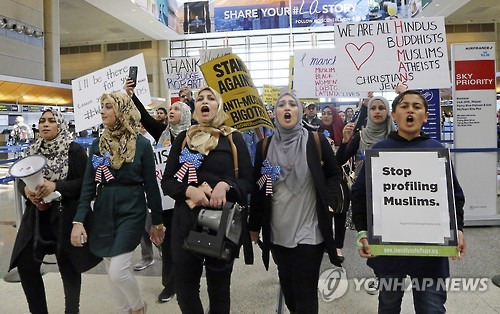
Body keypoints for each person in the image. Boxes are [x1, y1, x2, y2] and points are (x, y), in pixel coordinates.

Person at [352, 90, 466, 313]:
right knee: (389, 304)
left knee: (431, 307)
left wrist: (458, 229)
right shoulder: (379, 151)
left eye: (417, 106)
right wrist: (363, 231)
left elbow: (454, 196)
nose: (410, 110)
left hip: (430, 253)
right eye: (404, 106)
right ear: (394, 115)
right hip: (389, 251)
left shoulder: (436, 151)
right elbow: (359, 194)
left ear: (425, 116)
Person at [249, 92, 343, 314]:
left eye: (292, 104)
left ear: (299, 111)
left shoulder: (316, 141)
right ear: (275, 113)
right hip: (278, 231)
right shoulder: (265, 147)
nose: (287, 108)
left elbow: (334, 173)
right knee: (289, 288)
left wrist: (329, 201)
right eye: (282, 104)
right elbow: (257, 189)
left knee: (305, 291)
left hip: (310, 231)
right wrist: (253, 227)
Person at [70, 92, 165, 314]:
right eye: (101, 106)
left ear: (122, 111)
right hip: (103, 211)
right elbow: (87, 185)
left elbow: (151, 185)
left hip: (132, 209)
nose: (102, 111)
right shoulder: (97, 145)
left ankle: (138, 307)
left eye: (108, 107)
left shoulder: (141, 145)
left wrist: (157, 222)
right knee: (108, 266)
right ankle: (123, 310)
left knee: (118, 271)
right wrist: (78, 220)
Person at [161, 86, 253, 314]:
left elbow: (247, 182)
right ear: (195, 108)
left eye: (211, 98)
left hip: (219, 223)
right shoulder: (184, 138)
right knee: (185, 289)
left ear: (218, 107)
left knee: (219, 289)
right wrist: (188, 192)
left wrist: (227, 185)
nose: (205, 101)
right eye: (200, 98)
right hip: (185, 222)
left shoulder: (232, 138)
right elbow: (168, 181)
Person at [9, 109, 101, 314]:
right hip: (37, 217)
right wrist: (26, 191)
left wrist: (57, 186)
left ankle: (71, 310)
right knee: (26, 265)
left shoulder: (73, 150)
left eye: (51, 120)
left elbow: (86, 184)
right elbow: (21, 181)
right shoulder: (32, 150)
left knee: (67, 266)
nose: (45, 124)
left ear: (60, 125)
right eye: (42, 121)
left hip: (65, 215)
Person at [125, 80, 191, 302]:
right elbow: (144, 116)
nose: (171, 111)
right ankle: (170, 285)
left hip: (187, 199)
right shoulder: (163, 132)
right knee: (170, 244)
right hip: (166, 200)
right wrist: (132, 95)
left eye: (177, 109)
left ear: (187, 115)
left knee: (187, 245)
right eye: (170, 109)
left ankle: (186, 281)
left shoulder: (195, 137)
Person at [318, 105, 349, 262]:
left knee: (340, 212)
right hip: (324, 179)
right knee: (325, 213)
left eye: (329, 113)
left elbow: (342, 159)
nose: (326, 116)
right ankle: (326, 243)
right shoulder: (317, 133)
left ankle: (338, 246)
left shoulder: (343, 131)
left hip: (340, 178)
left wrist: (343, 143)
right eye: (323, 113)